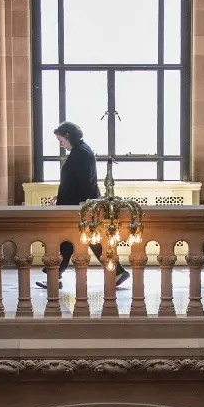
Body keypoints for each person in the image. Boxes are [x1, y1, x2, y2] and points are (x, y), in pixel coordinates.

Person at [46, 123, 127, 293]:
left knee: (75, 240)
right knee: (81, 241)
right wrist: (60, 196)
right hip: (78, 204)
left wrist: (82, 204)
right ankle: (117, 271)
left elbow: (84, 183)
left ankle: (54, 275)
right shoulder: (81, 151)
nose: (61, 144)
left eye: (61, 140)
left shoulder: (81, 153)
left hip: (80, 206)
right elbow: (75, 181)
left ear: (68, 135)